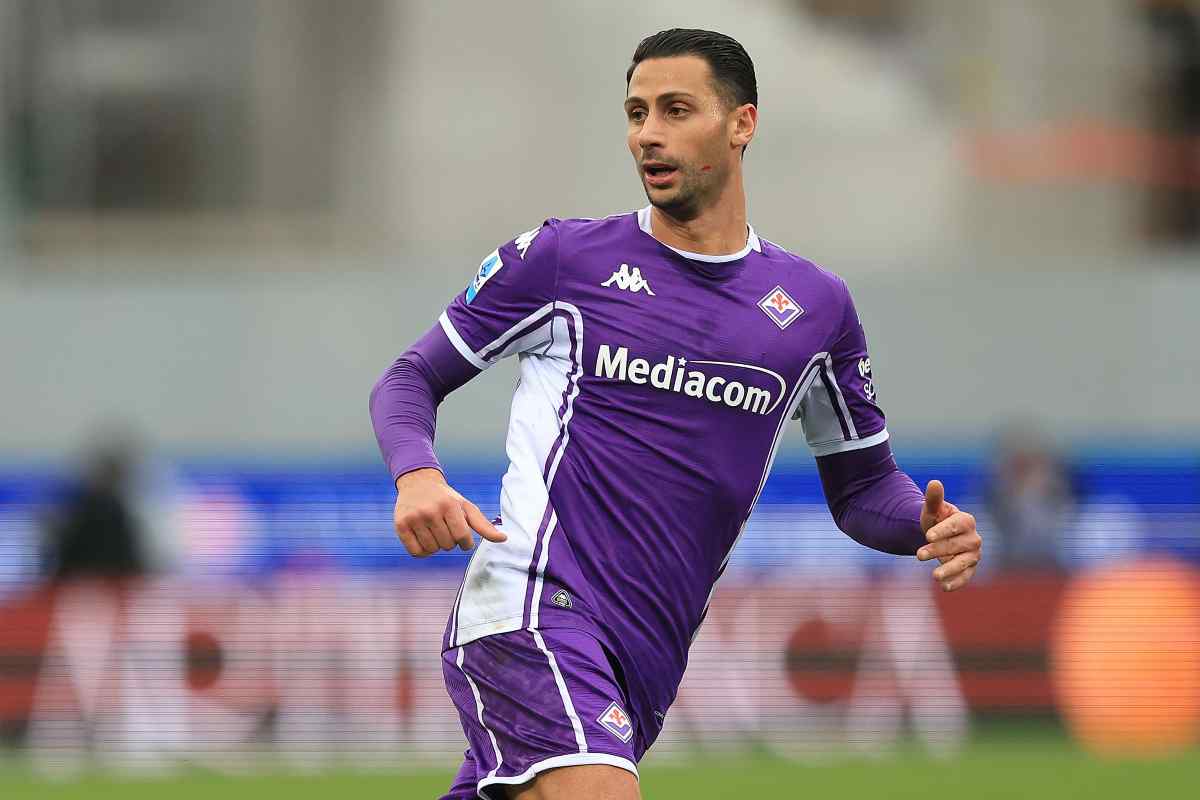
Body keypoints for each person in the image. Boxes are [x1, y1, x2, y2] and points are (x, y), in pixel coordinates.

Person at [370, 28, 982, 800]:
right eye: (636, 112)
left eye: (675, 109)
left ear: (741, 123)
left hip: (647, 654)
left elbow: (864, 489)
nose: (647, 133)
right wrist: (417, 475)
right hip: (532, 608)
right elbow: (410, 377)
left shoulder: (814, 310)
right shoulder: (566, 260)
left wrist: (926, 526)